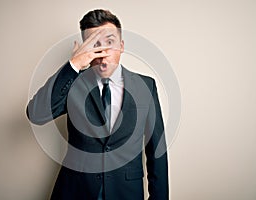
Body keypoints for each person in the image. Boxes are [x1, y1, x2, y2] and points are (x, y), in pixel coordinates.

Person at [26, 9, 168, 200]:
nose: (103, 53)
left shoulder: (146, 86)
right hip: (75, 192)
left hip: (126, 192)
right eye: (94, 45)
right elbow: (36, 114)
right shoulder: (73, 83)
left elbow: (156, 150)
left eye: (110, 43)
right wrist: (74, 64)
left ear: (122, 45)